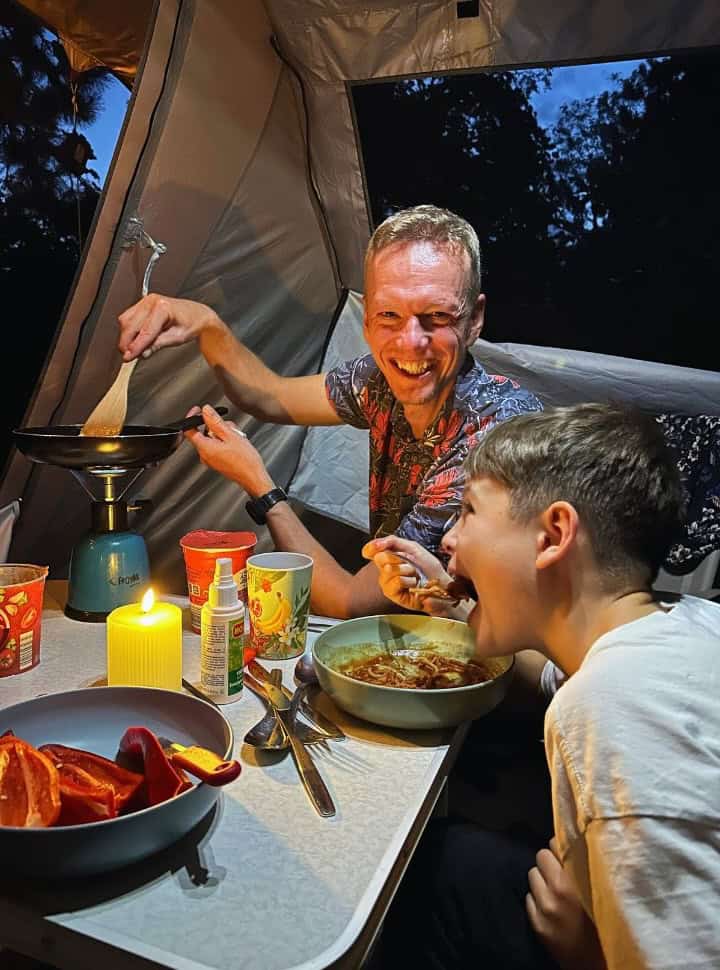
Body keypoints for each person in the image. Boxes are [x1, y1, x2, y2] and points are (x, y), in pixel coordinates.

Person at [364, 403, 720, 970]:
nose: (448, 539)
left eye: (468, 511)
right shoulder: (676, 627)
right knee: (450, 857)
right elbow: (552, 672)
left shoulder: (617, 707)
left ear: (553, 534)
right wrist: (457, 600)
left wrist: (586, 954)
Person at [117, 204, 540, 618]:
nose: (410, 342)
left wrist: (261, 488)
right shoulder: (379, 380)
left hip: (491, 652)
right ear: (368, 321)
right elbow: (271, 395)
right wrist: (206, 324)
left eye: (437, 316)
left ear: (475, 319)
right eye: (389, 314)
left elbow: (349, 601)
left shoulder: (492, 437)